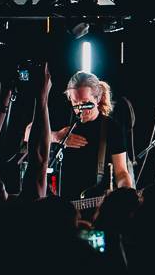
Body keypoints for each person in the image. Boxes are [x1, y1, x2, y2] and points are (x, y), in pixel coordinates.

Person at [52, 71, 134, 200]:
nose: (80, 109)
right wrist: (55, 136)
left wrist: (127, 195)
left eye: (86, 103)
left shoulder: (111, 128)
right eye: (75, 103)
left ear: (98, 98)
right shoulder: (63, 117)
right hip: (62, 202)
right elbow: (28, 132)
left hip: (95, 205)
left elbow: (121, 172)